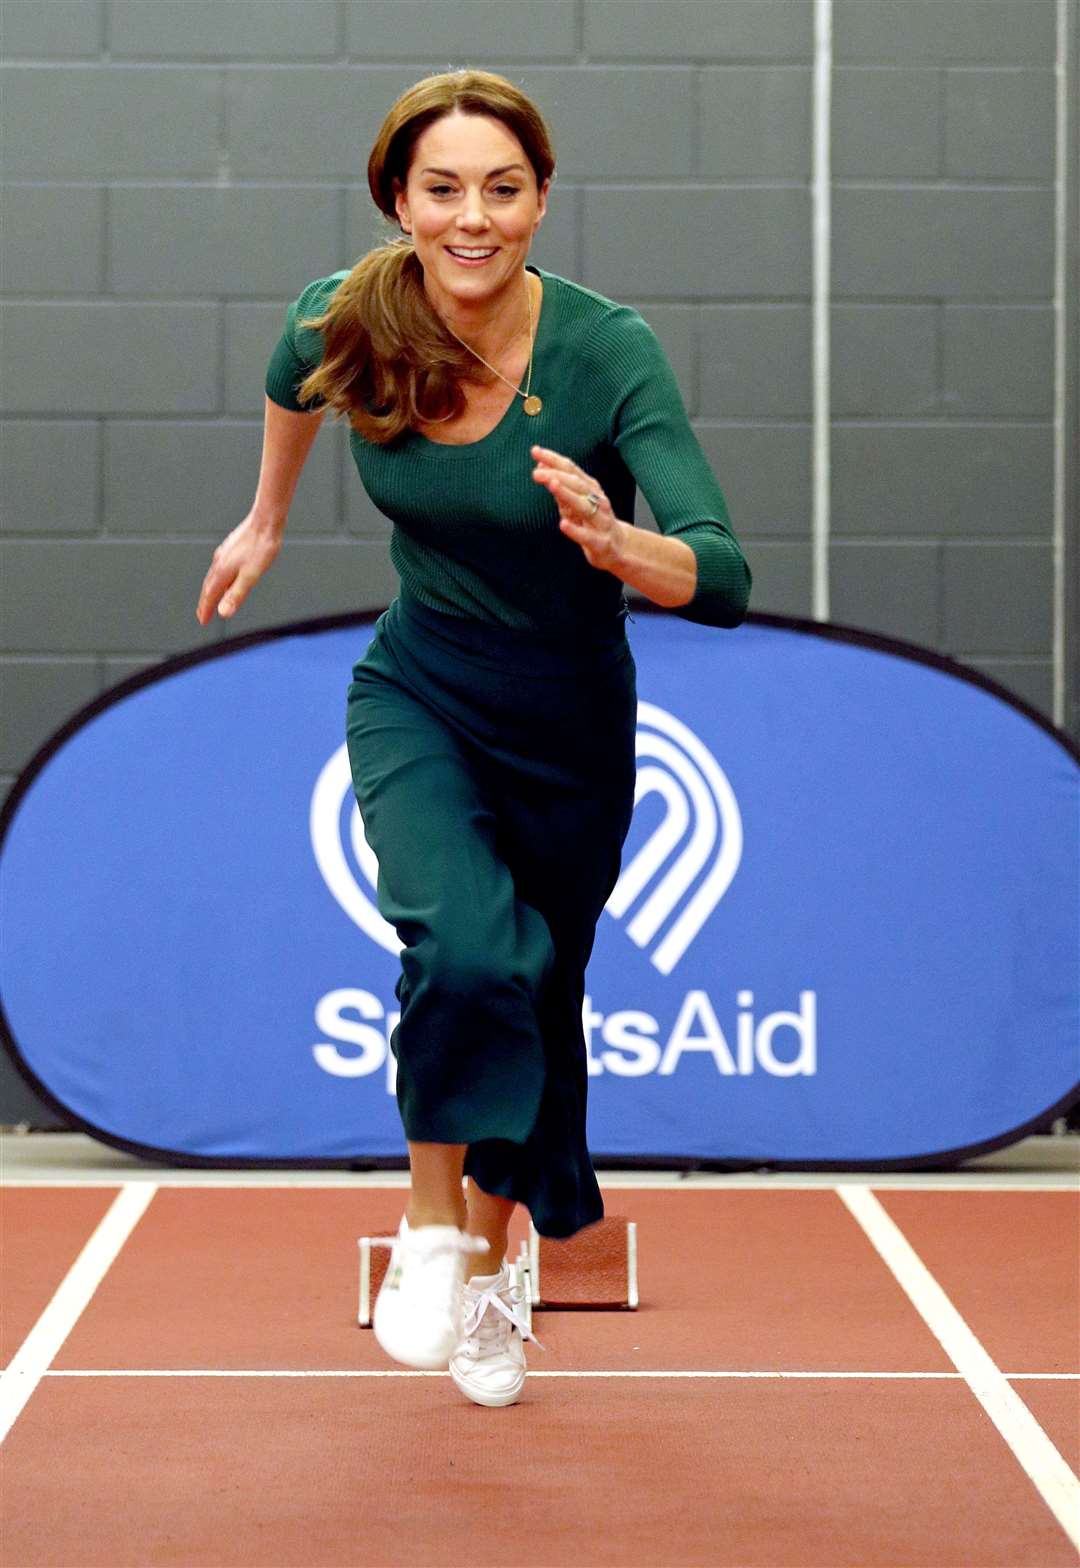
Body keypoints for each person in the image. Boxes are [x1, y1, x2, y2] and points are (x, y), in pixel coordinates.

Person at [195, 68, 751, 1409]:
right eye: (443, 188)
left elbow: (721, 571)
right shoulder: (356, 313)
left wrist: (626, 547)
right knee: (465, 944)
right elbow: (288, 378)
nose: (473, 217)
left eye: (503, 189)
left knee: (538, 998)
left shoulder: (607, 353)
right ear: (400, 198)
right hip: (421, 690)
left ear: (542, 199)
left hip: (569, 728)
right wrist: (267, 516)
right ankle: (433, 1231)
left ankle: (500, 1273)